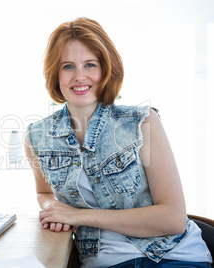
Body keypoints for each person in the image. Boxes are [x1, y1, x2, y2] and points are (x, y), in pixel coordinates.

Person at [24, 17, 212, 267]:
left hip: (172, 257)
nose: (79, 77)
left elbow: (173, 218)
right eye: (68, 66)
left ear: (105, 69)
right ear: (55, 73)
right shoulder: (37, 136)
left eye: (90, 64)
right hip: (104, 263)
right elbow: (44, 192)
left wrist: (79, 216)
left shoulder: (142, 122)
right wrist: (54, 211)